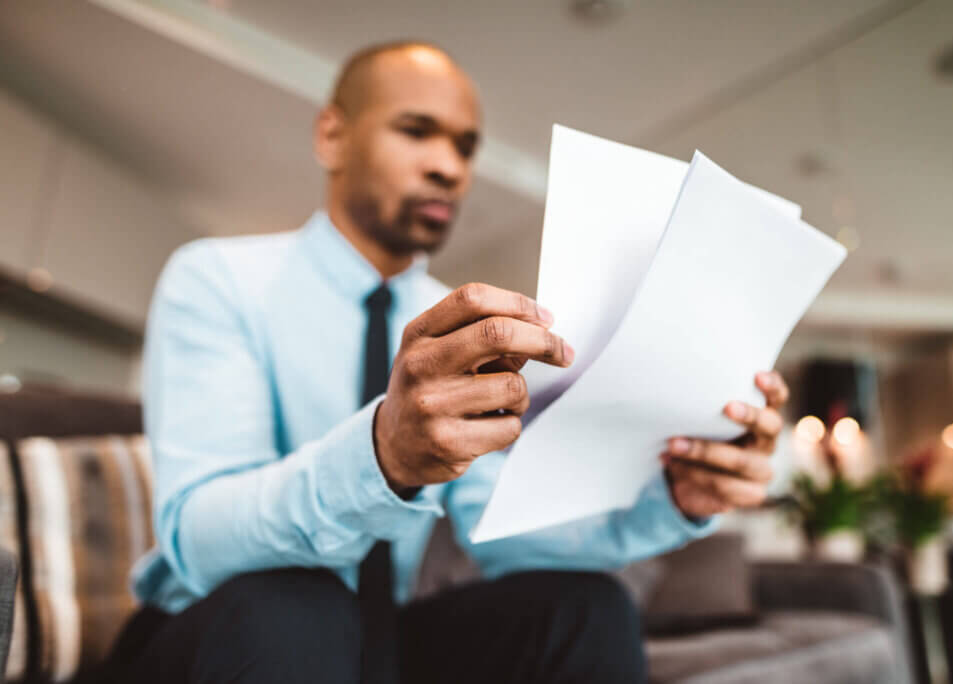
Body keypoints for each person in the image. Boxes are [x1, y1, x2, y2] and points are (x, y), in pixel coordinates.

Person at [113, 41, 788, 684]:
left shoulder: (466, 327)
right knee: (296, 610)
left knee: (587, 612)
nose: (450, 166)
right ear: (332, 136)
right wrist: (381, 455)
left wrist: (671, 500)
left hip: (378, 640)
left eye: (466, 147)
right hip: (219, 630)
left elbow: (495, 529)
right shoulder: (218, 278)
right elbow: (196, 539)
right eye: (417, 131)